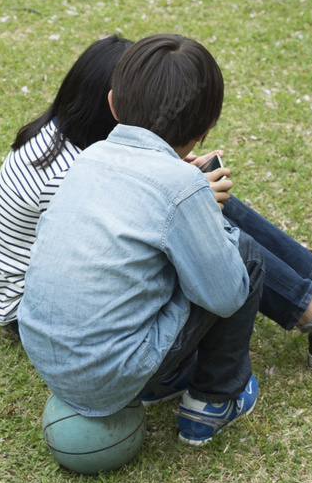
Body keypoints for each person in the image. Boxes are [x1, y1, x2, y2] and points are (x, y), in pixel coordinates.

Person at [0, 34, 312, 380]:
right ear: (113, 107)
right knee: (210, 218)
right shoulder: (69, 172)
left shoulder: (71, 140)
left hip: (76, 292)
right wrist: (192, 195)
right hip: (36, 313)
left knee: (210, 196)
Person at [17, 33, 264, 445]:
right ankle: (213, 400)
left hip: (46, 356)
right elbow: (225, 296)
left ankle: (155, 382)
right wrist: (209, 224)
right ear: (207, 128)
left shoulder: (88, 158)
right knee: (244, 254)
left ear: (113, 105)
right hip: (109, 372)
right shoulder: (183, 185)